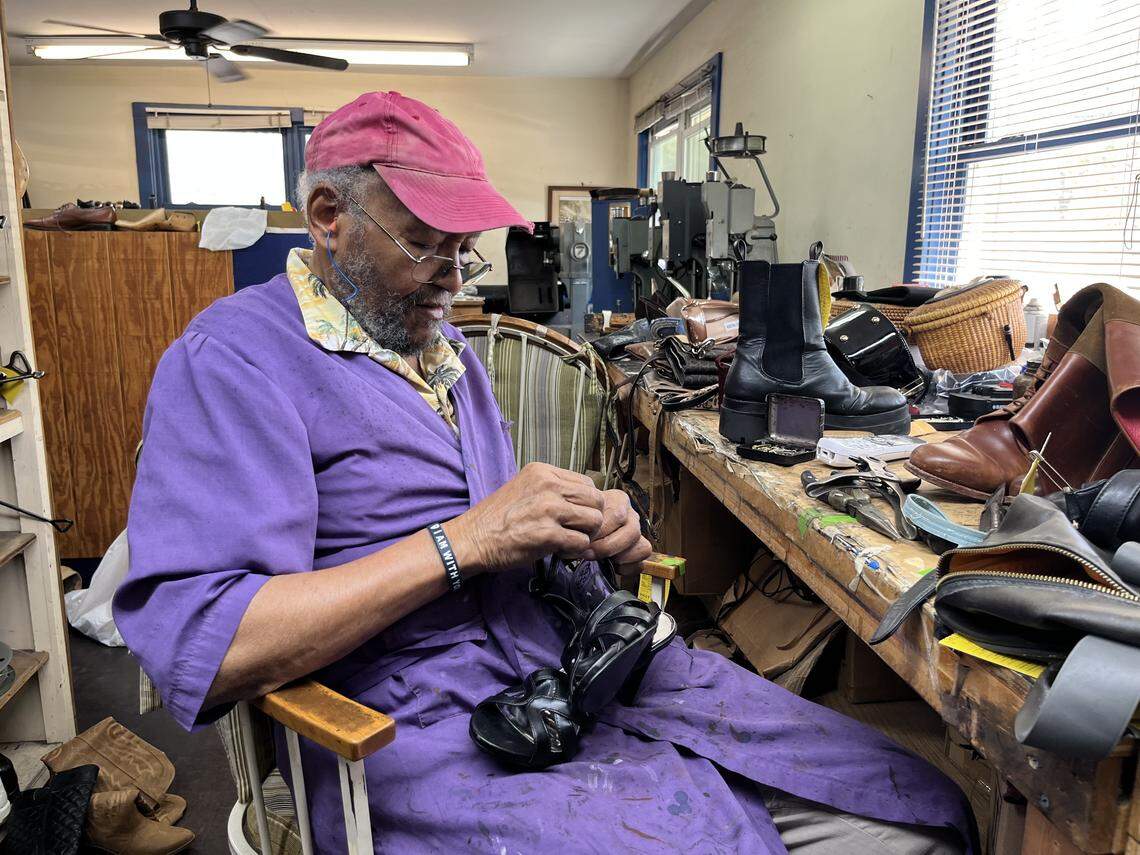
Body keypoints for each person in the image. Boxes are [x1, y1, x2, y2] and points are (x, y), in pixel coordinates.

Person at [115, 91, 973, 854]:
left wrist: (587, 537)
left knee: (921, 806)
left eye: (466, 252)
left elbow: (495, 535)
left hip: (564, 661)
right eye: (424, 245)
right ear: (329, 213)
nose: (453, 282)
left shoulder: (441, 351)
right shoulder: (230, 363)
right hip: (413, 726)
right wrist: (467, 539)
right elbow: (215, 640)